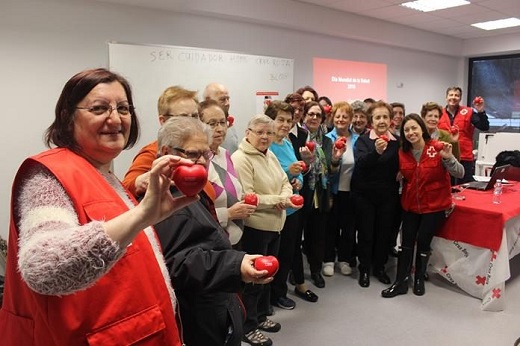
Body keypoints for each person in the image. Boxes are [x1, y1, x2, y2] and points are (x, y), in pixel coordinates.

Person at [0, 68, 197, 345]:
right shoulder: (47, 175)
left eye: (124, 108)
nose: (115, 118)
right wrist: (141, 216)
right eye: (99, 108)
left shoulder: (105, 175)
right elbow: (43, 268)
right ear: (68, 117)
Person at [152, 116, 270, 345]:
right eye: (193, 154)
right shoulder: (169, 201)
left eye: (206, 154)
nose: (202, 162)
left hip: (213, 306)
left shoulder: (190, 192)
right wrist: (236, 266)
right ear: (166, 152)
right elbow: (177, 264)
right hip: (197, 316)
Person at [232, 115, 301, 346]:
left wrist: (284, 197)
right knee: (253, 280)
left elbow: (285, 181)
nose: (264, 137)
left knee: (267, 276)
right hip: (255, 228)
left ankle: (260, 317)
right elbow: (247, 197)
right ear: (247, 132)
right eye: (259, 132)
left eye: (268, 133)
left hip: (275, 225)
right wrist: (278, 201)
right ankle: (248, 327)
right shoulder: (240, 158)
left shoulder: (269, 154)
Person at [382, 114, 464, 298]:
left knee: (424, 242)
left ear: (422, 129)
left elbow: (460, 172)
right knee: (406, 243)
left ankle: (419, 278)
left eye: (414, 128)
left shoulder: (437, 147)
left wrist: (449, 158)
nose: (411, 133)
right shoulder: (402, 152)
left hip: (433, 206)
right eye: (407, 130)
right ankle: (401, 281)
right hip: (410, 205)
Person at [122, 85, 215, 199]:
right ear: (163, 121)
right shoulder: (153, 152)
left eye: (195, 116)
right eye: (183, 117)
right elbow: (126, 187)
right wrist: (147, 180)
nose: (191, 121)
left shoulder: (203, 149)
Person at [351, 100, 400, 288]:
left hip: (388, 196)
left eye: (385, 117)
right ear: (371, 120)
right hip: (364, 195)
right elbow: (361, 163)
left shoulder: (397, 142)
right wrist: (377, 152)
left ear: (390, 120)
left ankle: (379, 268)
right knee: (366, 233)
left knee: (384, 233)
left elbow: (403, 163)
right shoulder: (364, 140)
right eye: (378, 117)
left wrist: (403, 170)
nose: (381, 121)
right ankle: (364, 268)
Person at [264, 101, 304, 311]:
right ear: (270, 120)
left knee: (287, 253)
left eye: (289, 121)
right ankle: (267, 297)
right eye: (281, 120)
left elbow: (297, 172)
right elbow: (271, 179)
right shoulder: (265, 145)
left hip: (292, 209)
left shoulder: (287, 143)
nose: (286, 124)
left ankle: (279, 294)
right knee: (272, 255)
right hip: (275, 209)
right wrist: (290, 173)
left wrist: (298, 181)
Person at [199, 99, 254, 248]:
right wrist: (228, 213)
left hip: (235, 238)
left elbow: (230, 191)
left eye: (223, 122)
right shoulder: (199, 160)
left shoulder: (225, 154)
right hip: (212, 242)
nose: (220, 129)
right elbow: (197, 213)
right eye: (212, 124)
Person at [300, 101, 340, 288]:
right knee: (296, 235)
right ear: (304, 116)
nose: (314, 117)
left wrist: (335, 161)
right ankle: (297, 272)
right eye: (311, 114)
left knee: (317, 235)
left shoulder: (327, 140)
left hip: (320, 192)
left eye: (318, 115)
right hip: (300, 190)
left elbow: (331, 171)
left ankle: (316, 271)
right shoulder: (297, 137)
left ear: (323, 119)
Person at [284, 93, 318, 303]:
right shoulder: (270, 135)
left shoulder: (304, 136)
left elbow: (305, 170)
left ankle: (298, 282)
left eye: (299, 110)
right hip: (276, 194)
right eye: (291, 109)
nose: (295, 113)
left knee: (295, 239)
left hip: (298, 193)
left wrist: (306, 165)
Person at [323, 101, 356, 277]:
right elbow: (326, 167)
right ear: (333, 118)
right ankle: (328, 259)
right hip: (332, 191)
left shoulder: (357, 139)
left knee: (349, 228)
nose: (341, 119)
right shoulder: (327, 139)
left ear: (350, 119)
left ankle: (344, 259)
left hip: (351, 191)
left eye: (345, 116)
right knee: (331, 227)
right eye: (338, 116)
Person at [438, 86, 489, 184]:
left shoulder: (469, 112)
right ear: (446, 97)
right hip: (445, 156)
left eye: (456, 95)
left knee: (465, 186)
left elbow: (484, 127)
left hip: (464, 156)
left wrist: (480, 111)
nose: (453, 97)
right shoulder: (439, 113)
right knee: (446, 185)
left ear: (460, 98)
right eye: (451, 95)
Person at [204, 82, 239, 153]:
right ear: (208, 100)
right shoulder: (201, 126)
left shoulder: (229, 122)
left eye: (228, 99)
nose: (227, 103)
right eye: (222, 99)